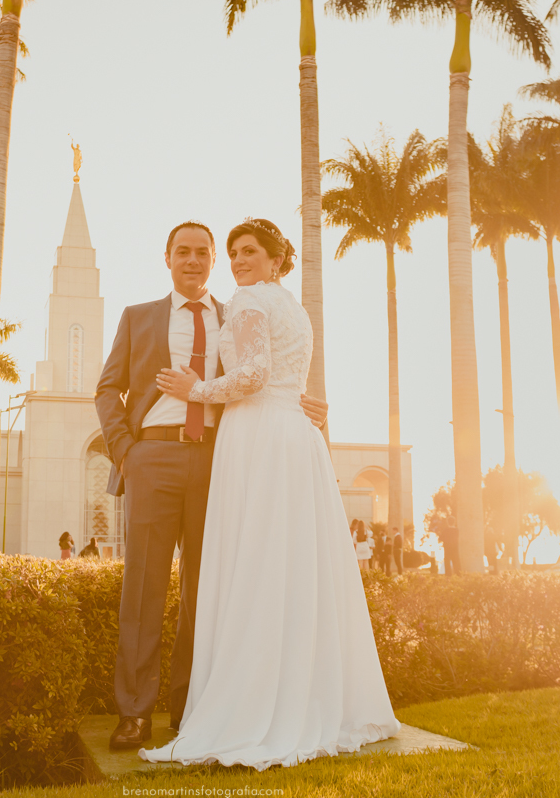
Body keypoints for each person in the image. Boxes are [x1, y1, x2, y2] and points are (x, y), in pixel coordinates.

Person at [140, 218, 400, 769]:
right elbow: (287, 375)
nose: (238, 261)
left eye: (249, 251)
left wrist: (198, 389)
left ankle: (252, 705)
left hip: (257, 436)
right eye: (233, 252)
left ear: (275, 258)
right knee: (292, 568)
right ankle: (306, 697)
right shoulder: (293, 307)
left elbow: (255, 371)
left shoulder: (249, 300)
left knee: (255, 564)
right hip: (293, 438)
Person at [95, 221, 330, 750]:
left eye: (204, 252)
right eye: (184, 251)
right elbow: (107, 389)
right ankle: (133, 713)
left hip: (220, 460)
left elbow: (264, 376)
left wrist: (305, 404)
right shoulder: (138, 318)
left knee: (212, 590)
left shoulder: (241, 310)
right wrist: (127, 452)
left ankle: (191, 708)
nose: (195, 260)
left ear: (212, 262)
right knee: (144, 590)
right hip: (152, 456)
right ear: (167, 258)